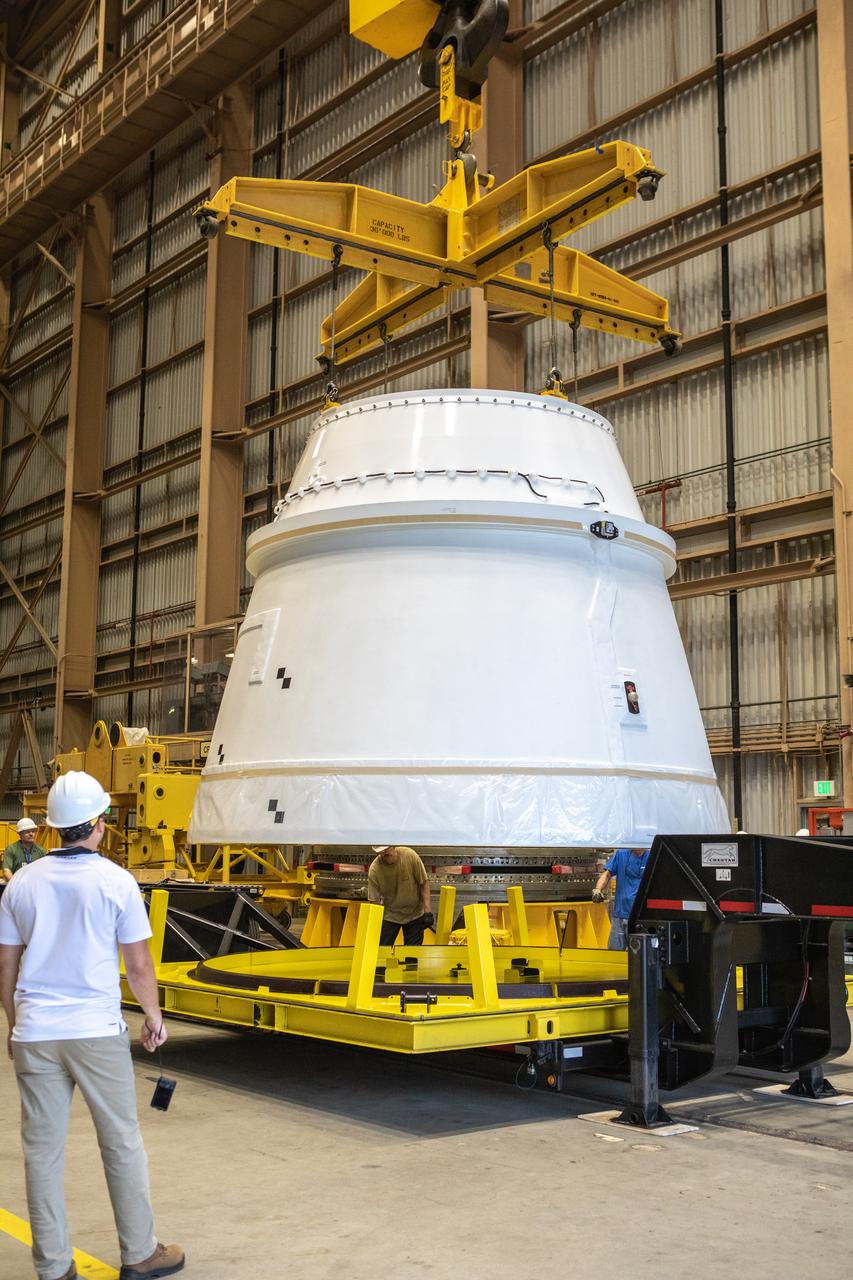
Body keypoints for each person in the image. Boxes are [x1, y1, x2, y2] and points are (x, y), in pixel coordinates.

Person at [0, 770, 185, 1280]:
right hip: (96, 1031)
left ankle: (54, 1267)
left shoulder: (21, 884)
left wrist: (14, 1023)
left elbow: (7, 964)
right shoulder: (115, 881)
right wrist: (153, 1016)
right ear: (99, 822)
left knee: (41, 1153)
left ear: (54, 827)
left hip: (36, 1032)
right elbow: (139, 964)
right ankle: (140, 1254)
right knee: (120, 1143)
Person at [367, 845, 433, 945]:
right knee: (383, 950)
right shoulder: (375, 870)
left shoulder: (410, 856)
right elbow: (374, 900)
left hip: (414, 914)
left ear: (393, 846)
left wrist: (427, 911)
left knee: (412, 953)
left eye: (387, 849)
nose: (385, 853)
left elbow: (423, 882)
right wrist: (377, 923)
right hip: (390, 916)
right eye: (381, 852)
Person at [592, 846, 650, 950]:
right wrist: (597, 889)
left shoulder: (651, 856)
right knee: (615, 953)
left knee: (639, 953)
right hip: (620, 915)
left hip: (641, 917)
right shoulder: (621, 854)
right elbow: (607, 874)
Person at [3, 817, 48, 882]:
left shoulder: (41, 851)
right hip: (16, 885)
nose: (31, 834)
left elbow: (45, 871)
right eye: (27, 832)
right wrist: (16, 884)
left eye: (33, 831)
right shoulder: (11, 849)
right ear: (20, 834)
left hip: (34, 885)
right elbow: (6, 870)